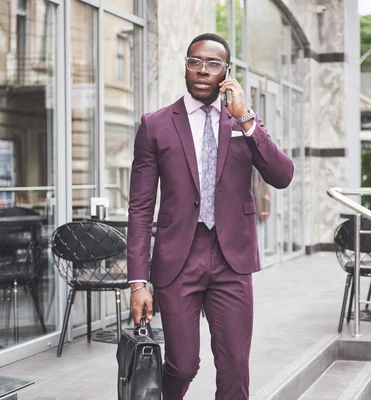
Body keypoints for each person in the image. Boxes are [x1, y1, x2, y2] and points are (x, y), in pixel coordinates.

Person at [126, 33, 294, 400]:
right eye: (195, 61)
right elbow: (140, 208)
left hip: (231, 261)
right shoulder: (155, 125)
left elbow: (282, 176)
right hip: (177, 261)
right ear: (185, 67)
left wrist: (246, 119)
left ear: (226, 72)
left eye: (213, 63)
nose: (203, 70)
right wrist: (138, 282)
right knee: (182, 365)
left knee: (235, 368)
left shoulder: (243, 123)